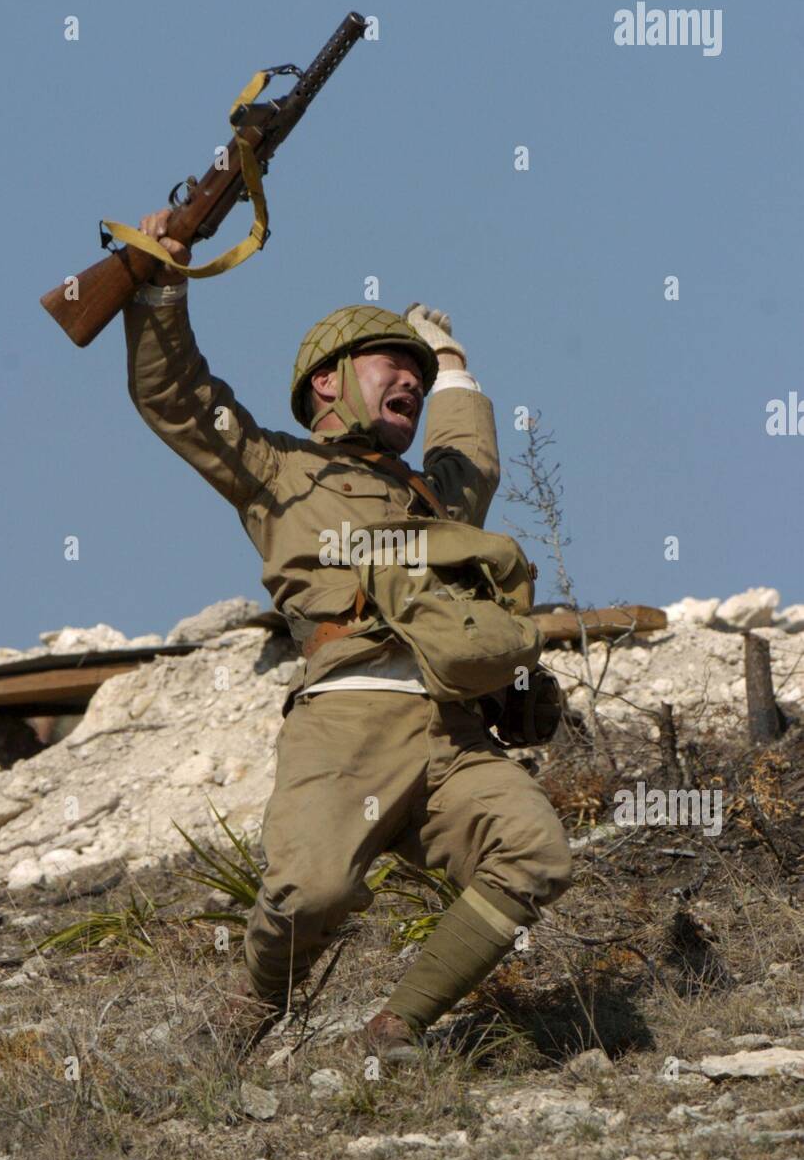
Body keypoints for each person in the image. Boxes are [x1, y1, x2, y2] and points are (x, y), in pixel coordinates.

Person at [124, 209, 572, 1063]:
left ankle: (394, 1027)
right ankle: (243, 1014)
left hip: (453, 727)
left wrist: (453, 366)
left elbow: (470, 455)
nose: (407, 379)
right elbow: (176, 396)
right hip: (346, 718)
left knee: (533, 855)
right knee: (311, 890)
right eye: (389, 364)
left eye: (414, 371)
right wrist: (161, 286)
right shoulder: (277, 470)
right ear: (327, 383)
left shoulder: (432, 497)